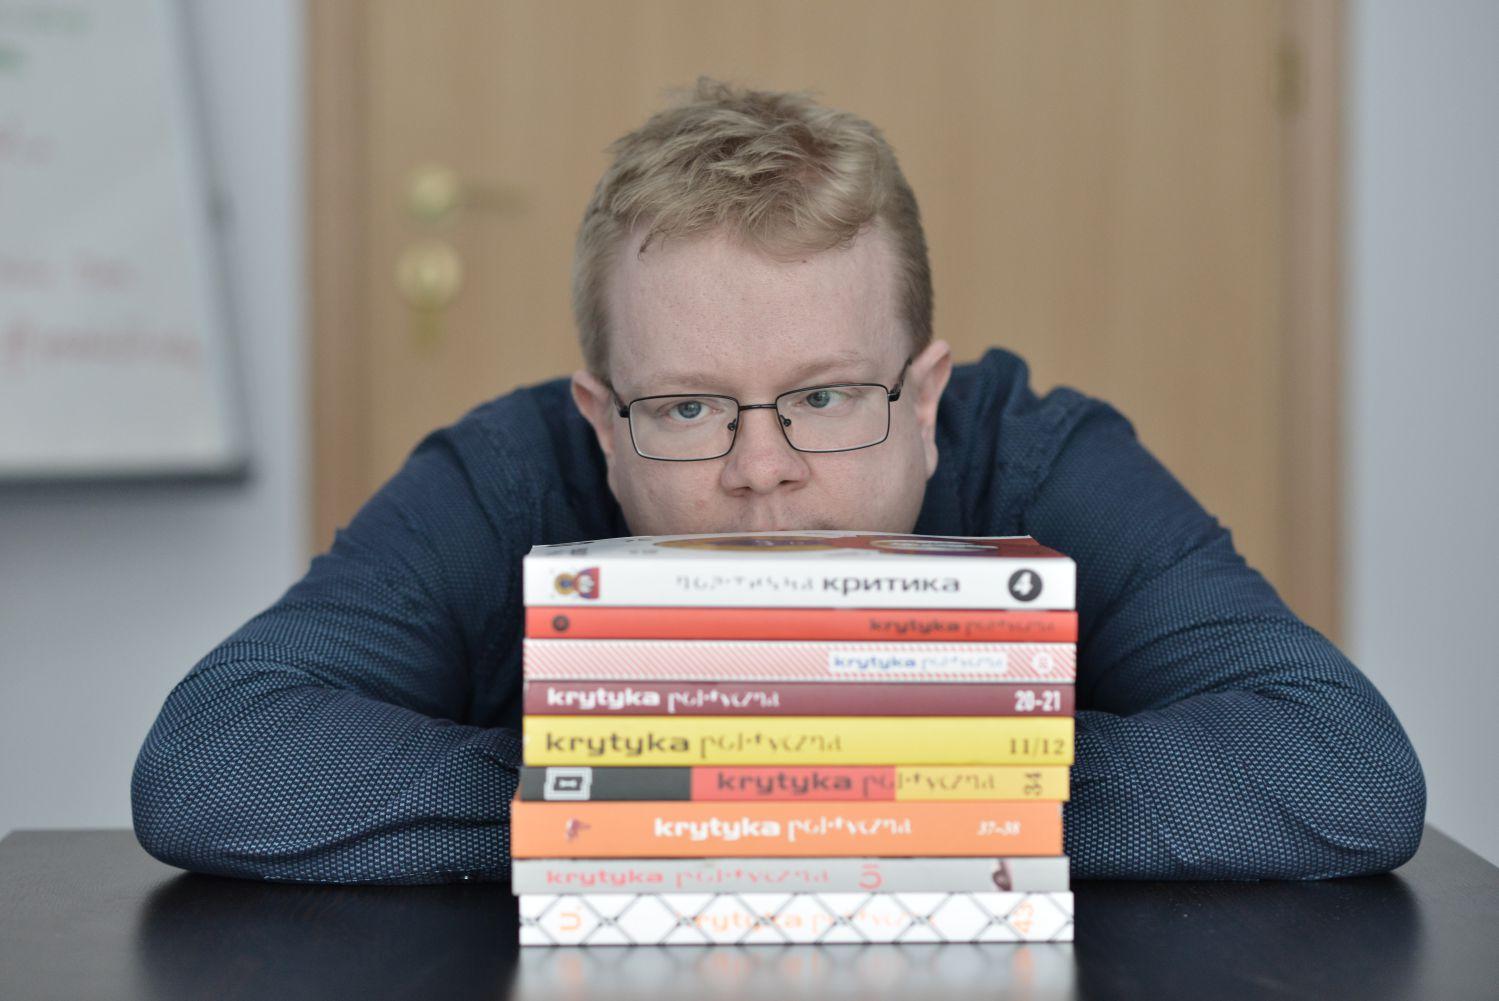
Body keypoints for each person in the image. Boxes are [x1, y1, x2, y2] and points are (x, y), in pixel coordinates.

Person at [131, 78, 1425, 884]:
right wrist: (629, 788)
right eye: (687, 407)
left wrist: (873, 779)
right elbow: (213, 755)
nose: (761, 472)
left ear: (927, 400)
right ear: (603, 421)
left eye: (825, 397)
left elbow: (1343, 767)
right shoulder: (508, 472)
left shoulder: (1038, 455)